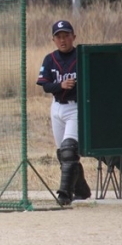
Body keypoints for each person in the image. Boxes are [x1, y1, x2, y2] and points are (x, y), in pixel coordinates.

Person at [36, 20, 91, 205]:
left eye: (66, 36)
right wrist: (60, 85)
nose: (62, 40)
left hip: (75, 107)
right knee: (63, 154)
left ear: (73, 37)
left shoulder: (81, 56)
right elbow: (45, 86)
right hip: (57, 107)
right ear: (53, 39)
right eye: (58, 36)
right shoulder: (50, 59)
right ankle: (81, 190)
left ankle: (64, 195)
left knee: (69, 151)